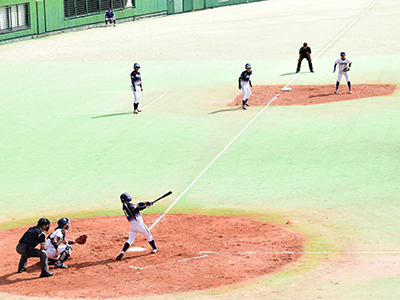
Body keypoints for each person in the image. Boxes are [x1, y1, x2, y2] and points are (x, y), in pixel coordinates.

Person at [116, 192, 158, 260]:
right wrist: (146, 206)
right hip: (139, 225)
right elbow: (139, 208)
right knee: (149, 236)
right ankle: (154, 248)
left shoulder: (124, 206)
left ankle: (123, 251)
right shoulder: (130, 205)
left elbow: (137, 205)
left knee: (130, 240)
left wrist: (145, 202)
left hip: (133, 226)